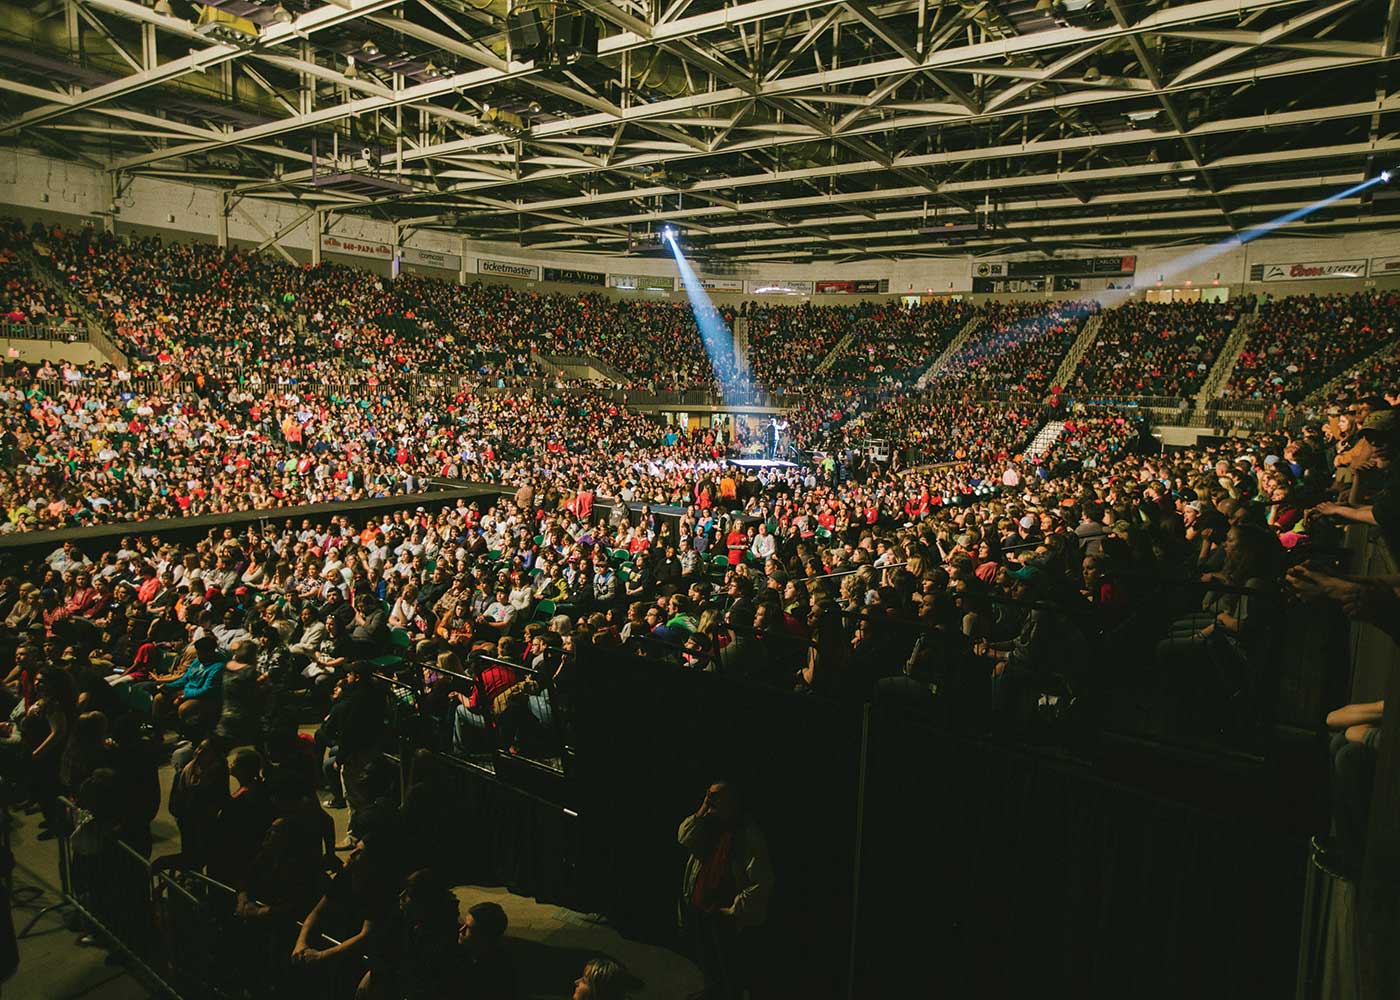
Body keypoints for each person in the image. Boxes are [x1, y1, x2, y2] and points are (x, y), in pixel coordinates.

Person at [678, 781, 773, 1000]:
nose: (711, 800)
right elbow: (683, 836)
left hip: (724, 916)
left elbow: (762, 880)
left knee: (728, 977)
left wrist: (736, 909)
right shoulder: (709, 825)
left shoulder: (746, 833)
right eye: (708, 795)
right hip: (701, 910)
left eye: (716, 796)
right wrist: (702, 808)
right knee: (706, 971)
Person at [459, 901, 518, 1000]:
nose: (461, 930)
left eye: (469, 928)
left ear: (483, 936)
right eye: (463, 925)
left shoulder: (493, 974)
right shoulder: (472, 955)